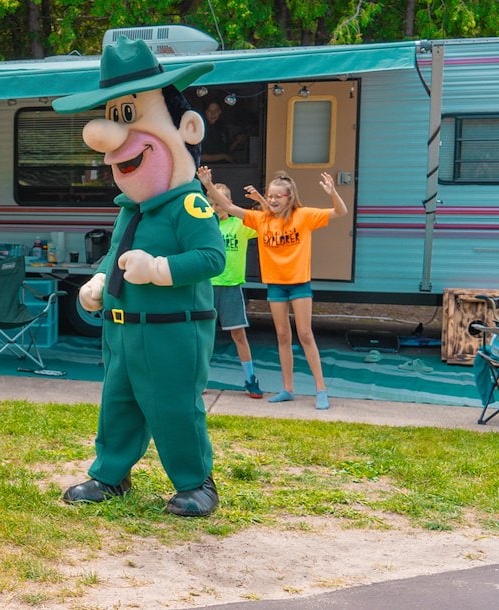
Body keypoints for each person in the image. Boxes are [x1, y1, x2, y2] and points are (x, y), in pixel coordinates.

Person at [54, 36, 226, 517]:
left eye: (127, 117)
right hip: (123, 329)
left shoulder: (189, 205)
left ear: (184, 128)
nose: (109, 138)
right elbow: (116, 254)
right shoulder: (130, 210)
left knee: (174, 408)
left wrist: (160, 270)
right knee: (119, 404)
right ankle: (110, 474)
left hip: (173, 330)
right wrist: (97, 280)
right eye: (113, 118)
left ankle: (196, 483)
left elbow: (212, 259)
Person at [212, 172, 349, 410]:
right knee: (282, 336)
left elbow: (340, 212)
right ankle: (287, 388)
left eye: (278, 196)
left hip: (299, 283)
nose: (273, 199)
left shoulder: (303, 215)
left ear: (289, 197)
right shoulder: (261, 219)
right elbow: (227, 205)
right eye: (269, 195)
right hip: (275, 284)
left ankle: (321, 389)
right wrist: (206, 184)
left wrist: (332, 192)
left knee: (305, 334)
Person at [198, 166, 263, 398]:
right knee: (205, 336)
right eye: (212, 204)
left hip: (232, 287)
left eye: (219, 203)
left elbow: (267, 220)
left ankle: (250, 378)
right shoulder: (206, 226)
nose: (216, 208)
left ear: (229, 203)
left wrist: (260, 200)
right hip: (207, 287)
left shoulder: (240, 224)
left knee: (238, 335)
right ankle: (200, 380)